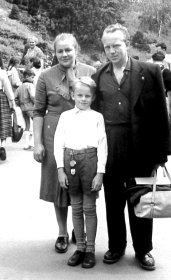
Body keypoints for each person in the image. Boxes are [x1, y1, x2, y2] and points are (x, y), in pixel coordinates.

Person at [92, 24, 171, 270]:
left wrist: (162, 154)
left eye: (116, 45)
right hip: (110, 145)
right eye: (107, 47)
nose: (112, 51)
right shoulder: (99, 75)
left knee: (141, 200)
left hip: (141, 147)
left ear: (126, 43)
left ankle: (143, 250)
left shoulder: (149, 72)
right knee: (113, 201)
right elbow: (93, 115)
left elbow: (161, 113)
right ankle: (116, 246)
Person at [33, 33, 96, 254]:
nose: (64, 54)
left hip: (85, 135)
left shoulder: (90, 72)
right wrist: (38, 143)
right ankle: (62, 231)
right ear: (55, 53)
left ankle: (79, 230)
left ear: (76, 49)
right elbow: (38, 111)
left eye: (68, 49)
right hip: (54, 136)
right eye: (59, 51)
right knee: (60, 185)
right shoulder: (45, 77)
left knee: (82, 183)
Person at [54, 77, 107, 268]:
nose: (83, 99)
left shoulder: (97, 117)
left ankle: (90, 250)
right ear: (72, 95)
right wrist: (61, 169)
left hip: (90, 161)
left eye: (87, 96)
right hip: (70, 161)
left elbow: (102, 146)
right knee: (75, 206)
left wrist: (100, 172)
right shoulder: (65, 116)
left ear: (93, 97)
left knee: (89, 207)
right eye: (79, 95)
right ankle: (80, 248)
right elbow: (58, 143)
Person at [152, 51, 171, 142]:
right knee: (169, 116)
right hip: (164, 98)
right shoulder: (166, 71)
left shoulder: (148, 70)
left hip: (151, 99)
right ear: (163, 60)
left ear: (152, 59)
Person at [15, 68, 35, 150]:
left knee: (27, 126)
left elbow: (15, 98)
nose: (33, 79)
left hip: (23, 109)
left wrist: (20, 104)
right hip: (31, 108)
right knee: (37, 123)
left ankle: (26, 144)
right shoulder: (30, 85)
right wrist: (36, 104)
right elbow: (33, 96)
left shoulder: (20, 87)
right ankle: (32, 142)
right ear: (27, 77)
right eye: (32, 77)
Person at [0, 68, 16, 161]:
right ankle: (2, 146)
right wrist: (13, 103)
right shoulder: (1, 72)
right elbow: (8, 89)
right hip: (1, 99)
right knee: (3, 122)